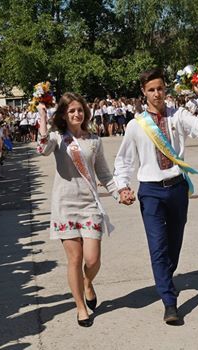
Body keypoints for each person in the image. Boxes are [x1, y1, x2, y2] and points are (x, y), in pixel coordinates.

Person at [114, 67, 198, 324]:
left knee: (174, 243)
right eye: (151, 90)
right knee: (158, 247)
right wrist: (123, 186)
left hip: (177, 187)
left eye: (160, 88)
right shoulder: (136, 126)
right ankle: (169, 303)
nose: (156, 94)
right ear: (143, 92)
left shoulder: (178, 115)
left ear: (165, 89)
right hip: (151, 192)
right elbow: (124, 160)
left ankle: (165, 278)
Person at [36, 93, 117, 327]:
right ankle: (80, 307)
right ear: (64, 114)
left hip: (90, 205)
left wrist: (118, 192)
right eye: (71, 111)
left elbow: (104, 173)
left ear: (85, 112)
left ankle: (87, 282)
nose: (76, 114)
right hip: (65, 205)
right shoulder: (57, 138)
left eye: (80, 110)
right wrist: (42, 117)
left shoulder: (94, 140)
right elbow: (42, 149)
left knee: (92, 260)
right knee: (75, 258)